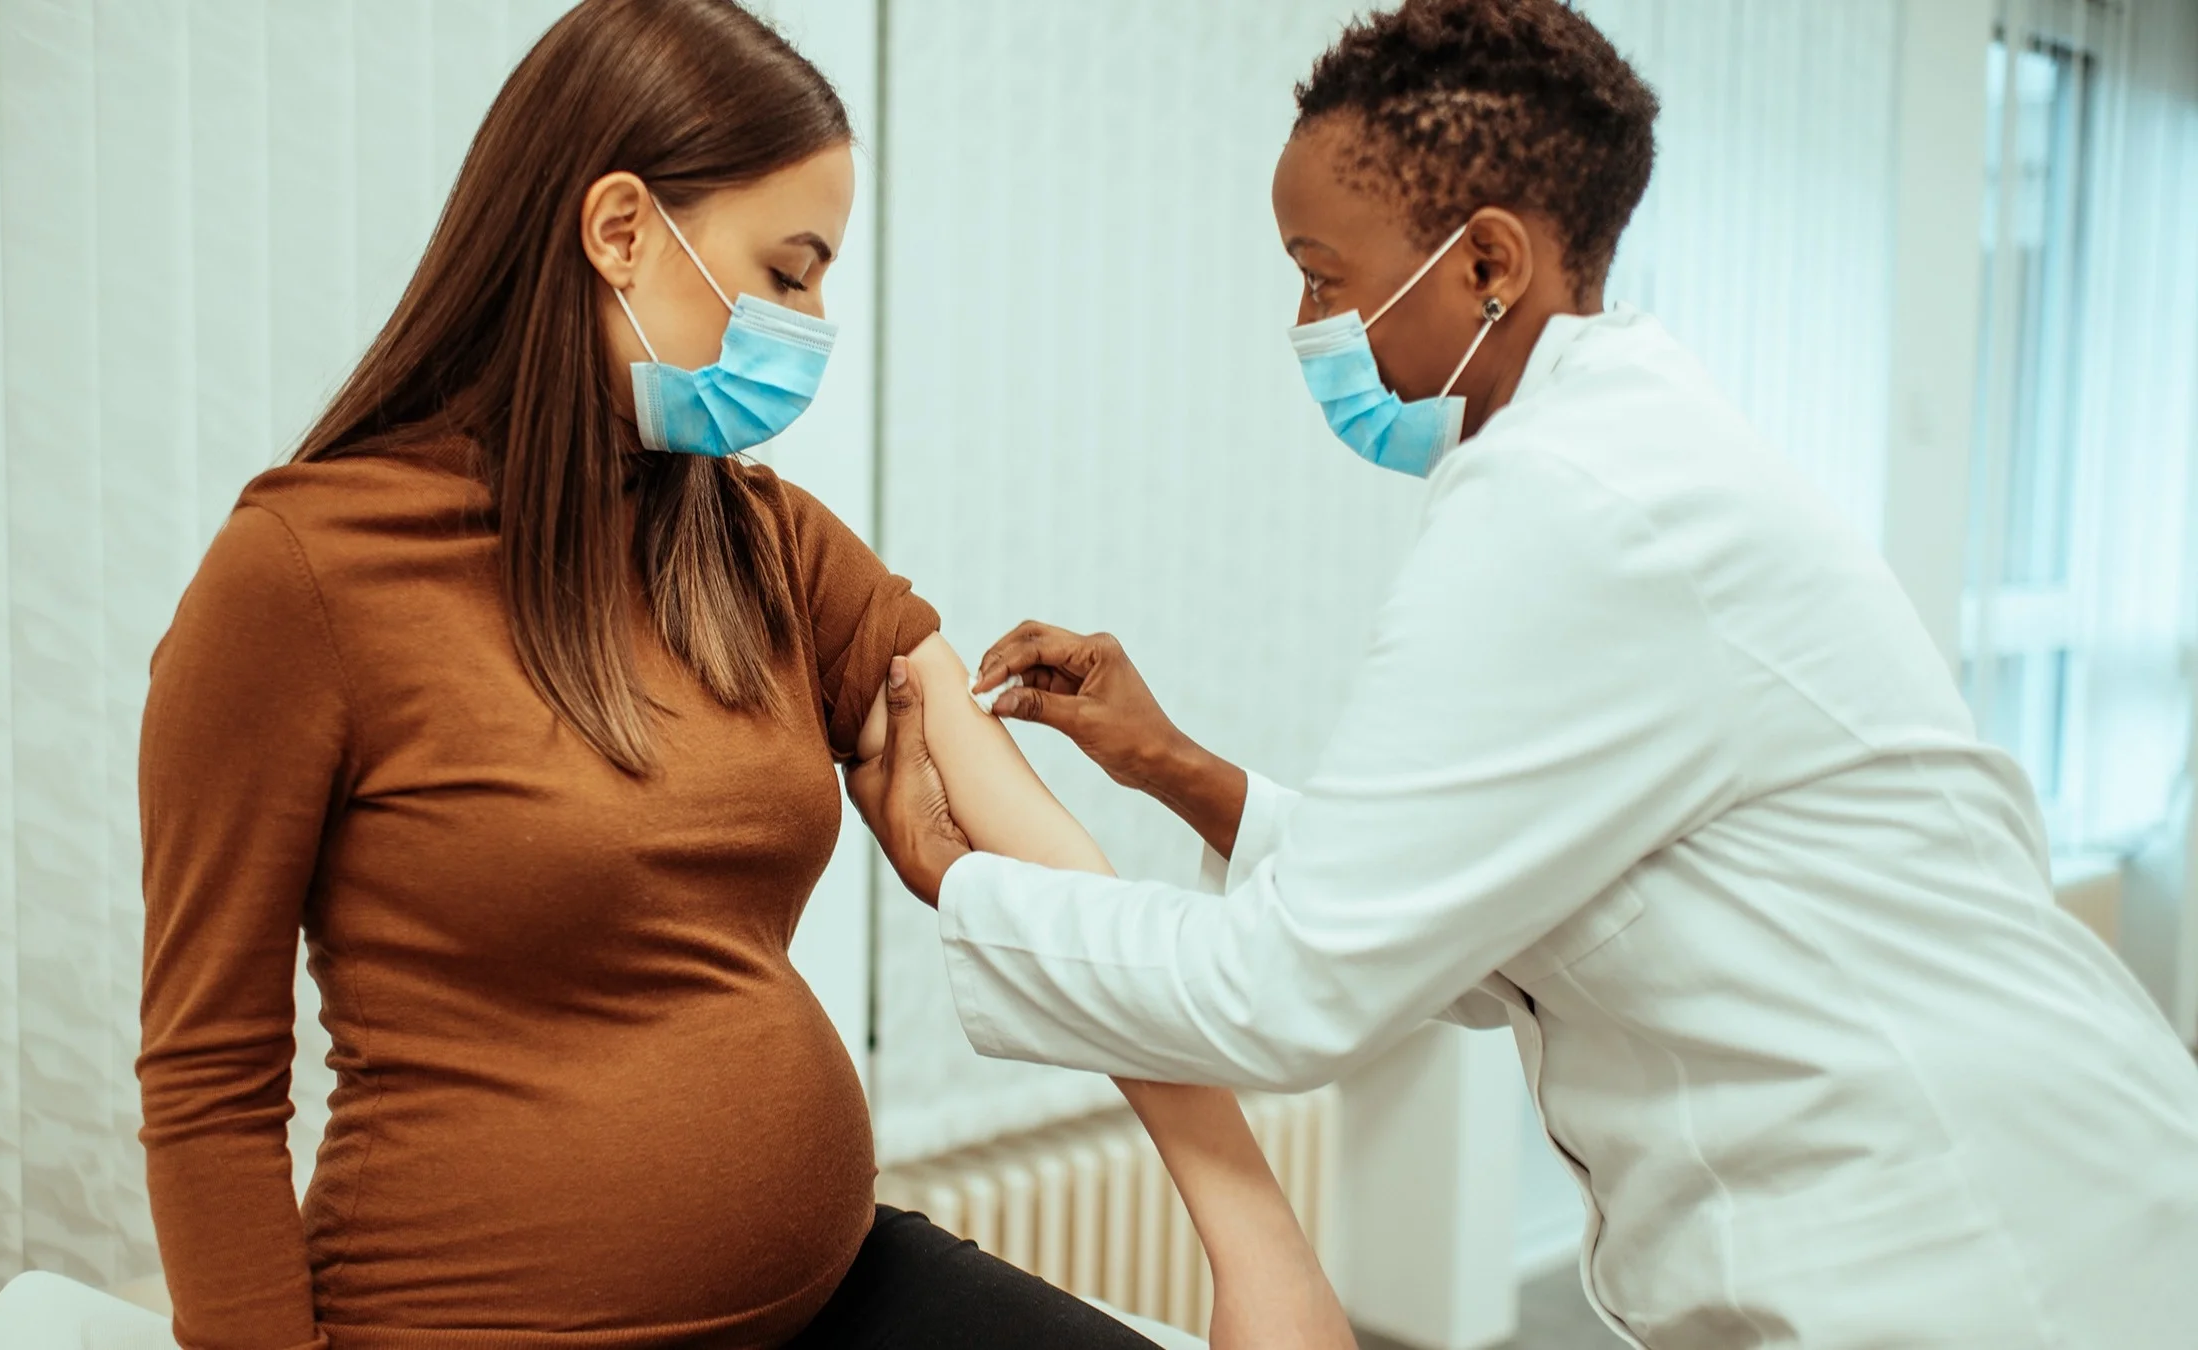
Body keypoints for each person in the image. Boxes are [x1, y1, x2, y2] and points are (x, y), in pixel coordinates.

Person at [848, 3, 2198, 1348]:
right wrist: (1179, 769)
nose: (1304, 323)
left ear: (1485, 260)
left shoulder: (1569, 503)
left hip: (1981, 1251)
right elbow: (1474, 926)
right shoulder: (1624, 465)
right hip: (1980, 1197)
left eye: (1323, 275)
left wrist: (959, 878)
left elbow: (1291, 987)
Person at [136, 2, 1349, 1348]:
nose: (815, 323)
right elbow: (208, 1081)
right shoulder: (302, 576)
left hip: (832, 1289)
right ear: (619, 230)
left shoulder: (758, 541)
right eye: (788, 272)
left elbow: (1051, 865)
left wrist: (1261, 1245)